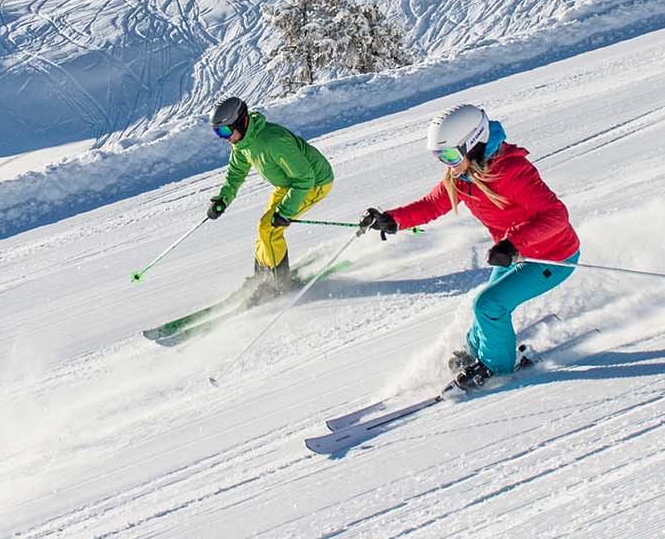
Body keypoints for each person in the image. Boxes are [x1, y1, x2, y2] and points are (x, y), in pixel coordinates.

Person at [357, 104, 578, 390]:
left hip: (553, 256)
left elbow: (556, 215)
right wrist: (392, 219)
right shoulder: (463, 176)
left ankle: (497, 368)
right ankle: (479, 351)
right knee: (484, 306)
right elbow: (432, 204)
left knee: (489, 305)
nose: (447, 163)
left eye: (449, 155)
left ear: (472, 144)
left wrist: (513, 243)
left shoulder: (512, 171)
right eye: (439, 157)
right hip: (515, 254)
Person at [205, 96, 335, 298]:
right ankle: (261, 276)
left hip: (314, 183)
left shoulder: (272, 140)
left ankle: (282, 284)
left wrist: (285, 211)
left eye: (225, 131)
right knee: (264, 229)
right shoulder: (242, 143)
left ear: (241, 122)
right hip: (288, 184)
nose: (224, 137)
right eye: (217, 133)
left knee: (269, 228)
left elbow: (305, 178)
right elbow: (236, 173)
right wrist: (223, 199)